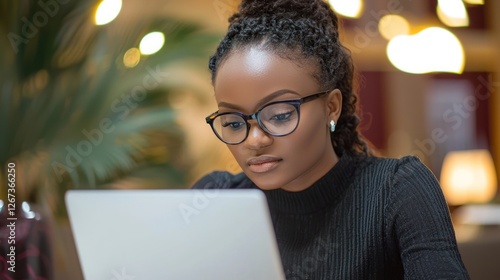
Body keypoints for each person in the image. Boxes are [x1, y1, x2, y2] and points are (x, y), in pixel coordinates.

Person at [192, 0, 470, 279]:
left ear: (331, 107)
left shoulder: (397, 192)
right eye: (232, 122)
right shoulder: (216, 198)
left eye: (278, 115)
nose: (254, 140)